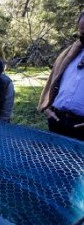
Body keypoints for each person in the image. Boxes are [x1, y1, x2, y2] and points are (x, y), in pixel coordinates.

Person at [38, 12, 84, 141]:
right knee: (52, 159)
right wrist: (47, 108)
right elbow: (54, 81)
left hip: (81, 126)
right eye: (82, 33)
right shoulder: (71, 52)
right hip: (57, 120)